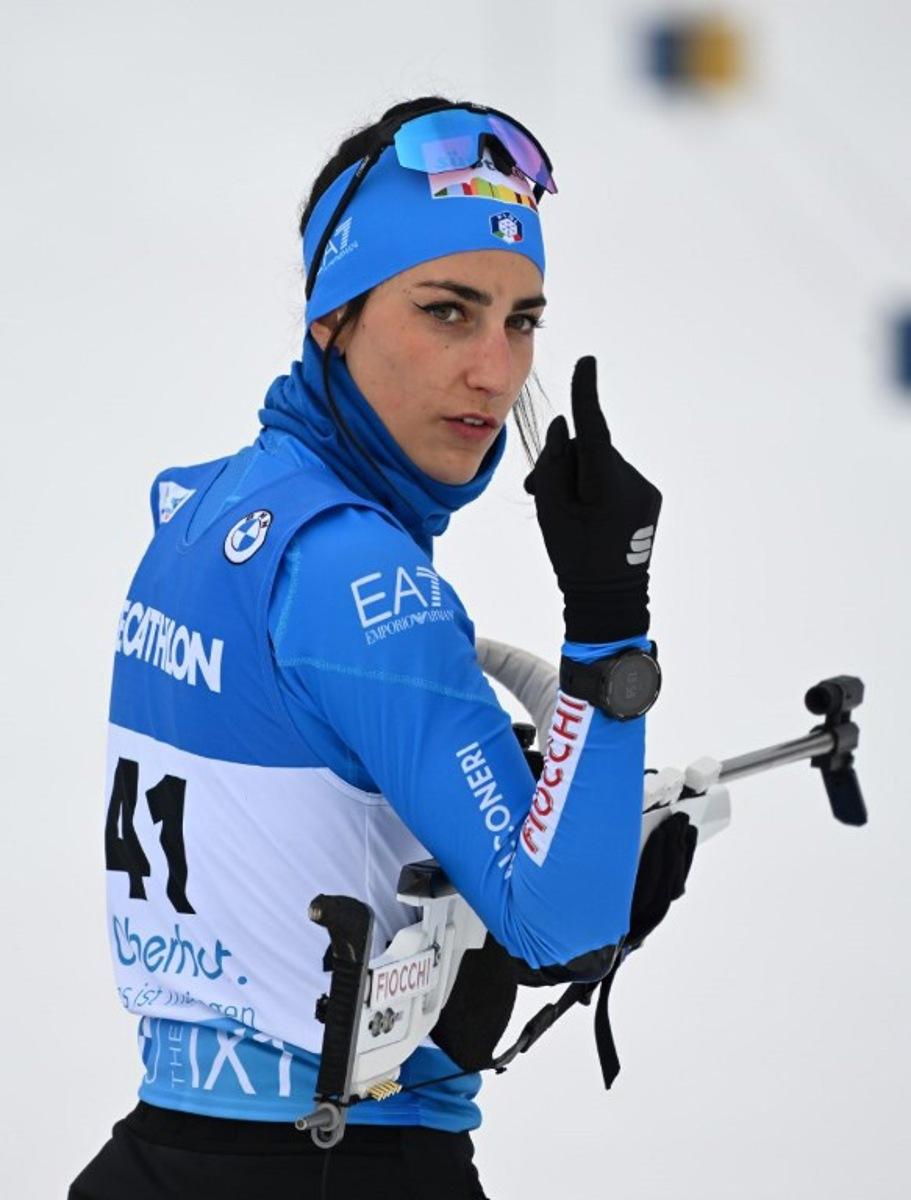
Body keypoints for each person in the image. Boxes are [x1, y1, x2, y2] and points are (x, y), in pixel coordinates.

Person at [69, 96, 663, 1200]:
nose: (496, 370)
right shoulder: (357, 570)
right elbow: (560, 918)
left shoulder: (208, 511)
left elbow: (288, 874)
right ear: (330, 319)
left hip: (167, 1152)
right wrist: (607, 625)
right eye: (447, 311)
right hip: (338, 1166)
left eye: (521, 319)